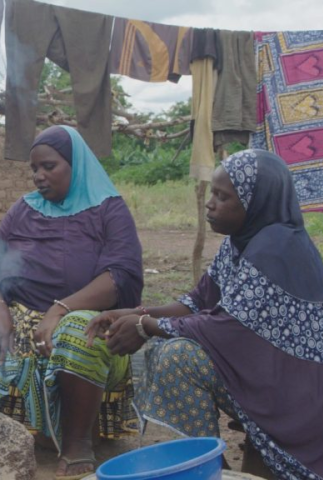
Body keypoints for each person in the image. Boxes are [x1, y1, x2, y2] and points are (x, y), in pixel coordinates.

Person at [86, 149, 323, 479]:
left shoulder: (277, 245)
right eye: (213, 193)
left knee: (178, 357)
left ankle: (210, 468)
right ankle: (213, 466)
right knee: (169, 345)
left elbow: (228, 326)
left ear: (256, 202)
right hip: (264, 375)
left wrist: (146, 326)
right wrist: (133, 312)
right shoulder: (242, 242)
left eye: (223, 197)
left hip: (295, 397)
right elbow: (197, 303)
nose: (210, 203)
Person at [0, 125, 144, 480]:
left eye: (49, 166)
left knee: (83, 333)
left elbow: (118, 277)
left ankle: (77, 443)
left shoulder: (108, 210)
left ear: (75, 165)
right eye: (35, 169)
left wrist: (60, 310)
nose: (38, 176)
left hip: (85, 321)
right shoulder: (24, 209)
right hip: (18, 323)